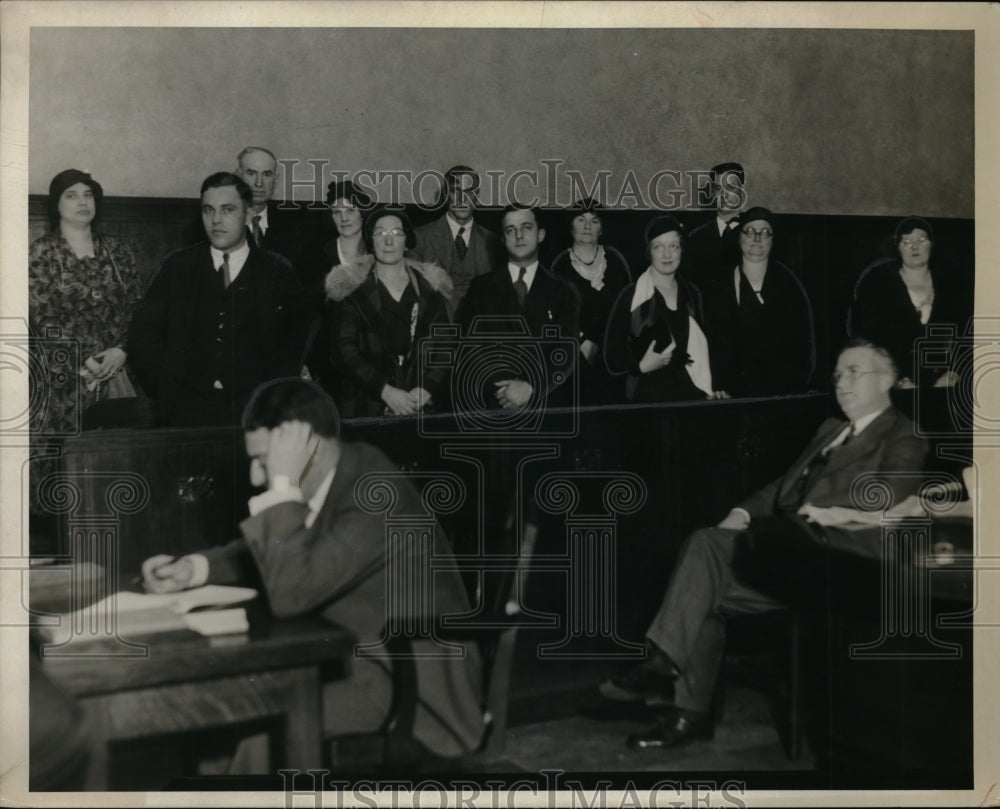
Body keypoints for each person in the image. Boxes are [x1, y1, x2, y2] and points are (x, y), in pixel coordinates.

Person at [597, 339, 928, 749]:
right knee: (704, 582)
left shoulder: (903, 434)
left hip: (842, 563)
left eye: (854, 373)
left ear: (888, 380)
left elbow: (889, 495)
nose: (842, 382)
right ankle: (689, 711)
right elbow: (782, 487)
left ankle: (663, 661)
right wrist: (742, 512)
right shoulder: (830, 429)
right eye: (838, 374)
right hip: (792, 557)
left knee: (706, 554)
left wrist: (818, 508)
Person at [140, 378, 484, 764]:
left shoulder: (374, 489)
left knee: (261, 722)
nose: (256, 478)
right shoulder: (345, 473)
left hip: (413, 688)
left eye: (263, 461)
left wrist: (282, 484)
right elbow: (287, 550)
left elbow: (290, 593)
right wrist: (194, 568)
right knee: (225, 716)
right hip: (360, 659)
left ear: (309, 449)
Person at [127, 172, 312, 427]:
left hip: (256, 416)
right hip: (183, 418)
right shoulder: (178, 268)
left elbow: (299, 336)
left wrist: (270, 393)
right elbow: (142, 335)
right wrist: (168, 387)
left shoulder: (276, 272)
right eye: (208, 210)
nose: (216, 220)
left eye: (227, 210)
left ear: (248, 214)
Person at [29, 168, 144, 432]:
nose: (83, 202)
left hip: (120, 372)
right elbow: (41, 317)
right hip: (64, 379)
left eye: (88, 195)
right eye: (71, 195)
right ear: (56, 205)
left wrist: (122, 350)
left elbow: (138, 308)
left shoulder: (117, 250)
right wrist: (84, 360)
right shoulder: (42, 253)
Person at [327, 208, 452, 419]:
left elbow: (446, 346)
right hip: (366, 408)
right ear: (370, 240)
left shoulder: (430, 290)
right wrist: (386, 391)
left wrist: (425, 389)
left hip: (421, 408)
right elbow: (342, 350)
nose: (388, 241)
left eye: (396, 233)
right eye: (380, 233)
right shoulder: (352, 290)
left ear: (407, 242)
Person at [458, 205, 580, 412]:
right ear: (503, 239)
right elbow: (470, 347)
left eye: (526, 227)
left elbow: (566, 350)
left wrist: (531, 386)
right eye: (510, 230)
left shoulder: (563, 289)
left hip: (546, 406)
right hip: (494, 406)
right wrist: (504, 391)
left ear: (540, 234)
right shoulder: (481, 288)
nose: (518, 235)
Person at [604, 215, 723, 403]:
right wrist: (641, 366)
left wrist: (716, 387)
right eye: (659, 247)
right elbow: (612, 355)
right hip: (648, 401)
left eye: (674, 246)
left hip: (692, 399)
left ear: (681, 250)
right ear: (649, 251)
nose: (667, 255)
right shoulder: (631, 295)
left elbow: (712, 347)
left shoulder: (693, 294)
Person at [703, 206, 816, 397]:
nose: (757, 238)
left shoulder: (789, 285)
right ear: (739, 236)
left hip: (780, 396)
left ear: (773, 239)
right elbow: (712, 342)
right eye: (750, 231)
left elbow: (804, 345)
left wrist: (794, 389)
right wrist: (716, 387)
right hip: (732, 396)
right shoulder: (720, 286)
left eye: (765, 232)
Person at [849, 216, 966, 389]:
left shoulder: (951, 285)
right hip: (894, 385)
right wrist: (896, 380)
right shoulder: (878, 284)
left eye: (921, 239)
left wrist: (955, 372)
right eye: (906, 241)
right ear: (897, 247)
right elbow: (867, 339)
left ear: (932, 245)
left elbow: (967, 333)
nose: (914, 246)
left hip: (947, 385)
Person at [296, 180, 376, 395]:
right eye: (336, 212)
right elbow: (307, 316)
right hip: (328, 356)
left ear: (363, 212)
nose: (344, 218)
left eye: (350, 210)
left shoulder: (378, 254)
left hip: (372, 352)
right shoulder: (317, 256)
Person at [551, 198, 632, 405]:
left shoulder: (616, 260)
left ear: (602, 228)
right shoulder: (559, 265)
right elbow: (555, 315)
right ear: (571, 227)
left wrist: (611, 345)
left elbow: (629, 307)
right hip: (576, 357)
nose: (587, 226)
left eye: (594, 221)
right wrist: (583, 343)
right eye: (581, 219)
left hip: (614, 354)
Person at [411, 165, 505, 317]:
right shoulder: (420, 238)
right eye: (456, 191)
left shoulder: (493, 242)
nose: (463, 199)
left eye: (469, 191)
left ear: (477, 195)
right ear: (446, 195)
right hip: (433, 333)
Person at [235, 146, 302, 265]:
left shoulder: (292, 228)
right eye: (251, 173)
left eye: (267, 174)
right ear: (238, 177)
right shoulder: (217, 223)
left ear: (275, 180)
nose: (259, 183)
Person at [685, 162, 746, 293]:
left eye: (731, 187)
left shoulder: (754, 233)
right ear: (713, 193)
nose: (724, 194)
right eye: (718, 188)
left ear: (742, 191)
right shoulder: (696, 237)